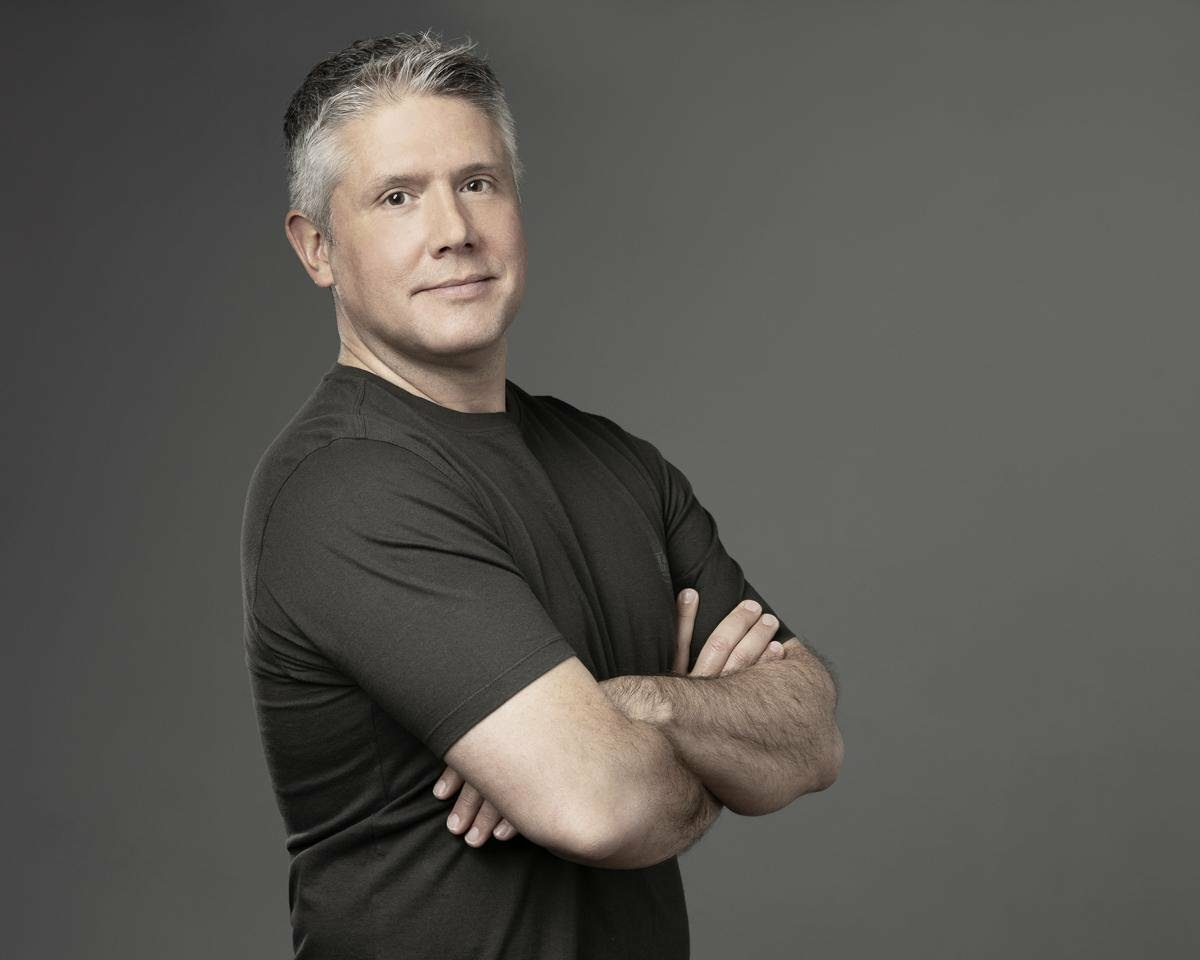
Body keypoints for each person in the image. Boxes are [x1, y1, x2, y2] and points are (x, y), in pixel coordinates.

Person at [240, 29, 843, 960]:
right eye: (398, 197)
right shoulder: (344, 487)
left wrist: (640, 703)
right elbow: (604, 806)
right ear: (317, 247)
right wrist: (710, 747)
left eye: (478, 182)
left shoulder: (620, 464)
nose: (454, 230)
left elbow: (813, 734)